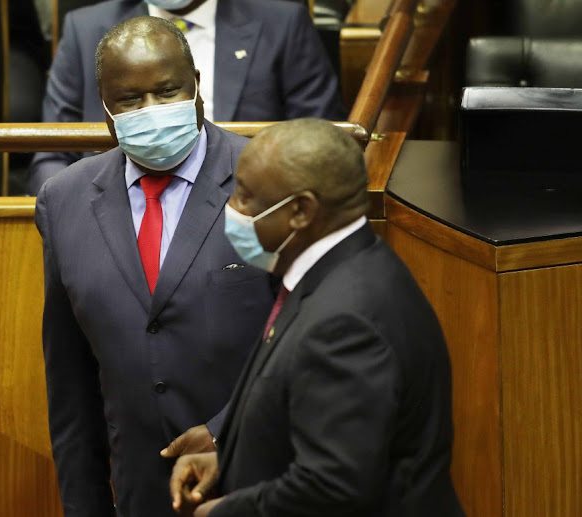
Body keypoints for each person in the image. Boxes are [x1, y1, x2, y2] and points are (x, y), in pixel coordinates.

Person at [34, 16, 275, 517]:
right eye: (130, 100)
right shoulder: (64, 201)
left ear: (197, 87)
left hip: (262, 486)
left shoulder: (270, 182)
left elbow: (312, 344)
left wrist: (225, 430)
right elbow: (71, 387)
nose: (153, 111)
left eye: (168, 91)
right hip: (140, 495)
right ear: (104, 106)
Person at [169, 118, 465, 517]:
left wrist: (221, 513)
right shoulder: (339, 270)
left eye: (245, 196)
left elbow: (334, 486)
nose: (231, 208)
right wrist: (231, 460)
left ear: (300, 212)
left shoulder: (346, 322)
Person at [28, 0, 346, 194]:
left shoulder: (283, 24)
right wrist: (83, 209)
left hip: (248, 205)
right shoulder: (85, 28)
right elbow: (51, 154)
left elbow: (321, 144)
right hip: (117, 205)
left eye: (166, 92)